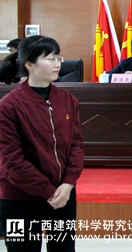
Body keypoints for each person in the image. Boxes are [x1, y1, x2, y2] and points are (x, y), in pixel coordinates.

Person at [0, 35, 84, 252]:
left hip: (63, 194)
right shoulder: (9, 106)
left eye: (58, 58)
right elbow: (10, 161)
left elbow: (76, 145)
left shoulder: (67, 100)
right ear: (29, 64)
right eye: (50, 58)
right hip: (20, 197)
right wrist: (48, 191)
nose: (57, 64)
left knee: (64, 248)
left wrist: (68, 183)